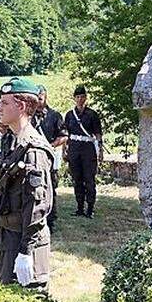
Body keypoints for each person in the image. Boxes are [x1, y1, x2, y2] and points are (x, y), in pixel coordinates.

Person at [0, 77, 55, 291]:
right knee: (5, 296)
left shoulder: (34, 150)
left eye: (5, 103)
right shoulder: (12, 141)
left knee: (29, 301)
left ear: (20, 106)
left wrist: (25, 252)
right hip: (8, 236)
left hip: (25, 240)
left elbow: (38, 206)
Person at [31, 85, 68, 229]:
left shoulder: (54, 116)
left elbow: (64, 135)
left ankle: (51, 220)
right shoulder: (29, 116)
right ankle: (35, 218)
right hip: (33, 157)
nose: (39, 100)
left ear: (45, 96)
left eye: (41, 97)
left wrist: (51, 145)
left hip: (49, 156)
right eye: (36, 97)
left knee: (51, 187)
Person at [64, 85, 103, 218]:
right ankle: (80, 207)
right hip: (74, 147)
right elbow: (66, 134)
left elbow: (97, 133)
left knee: (89, 179)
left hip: (88, 148)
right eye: (78, 97)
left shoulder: (92, 114)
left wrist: (100, 149)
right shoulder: (69, 115)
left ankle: (90, 208)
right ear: (74, 98)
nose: (80, 99)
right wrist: (65, 150)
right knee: (77, 179)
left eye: (82, 97)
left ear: (85, 98)